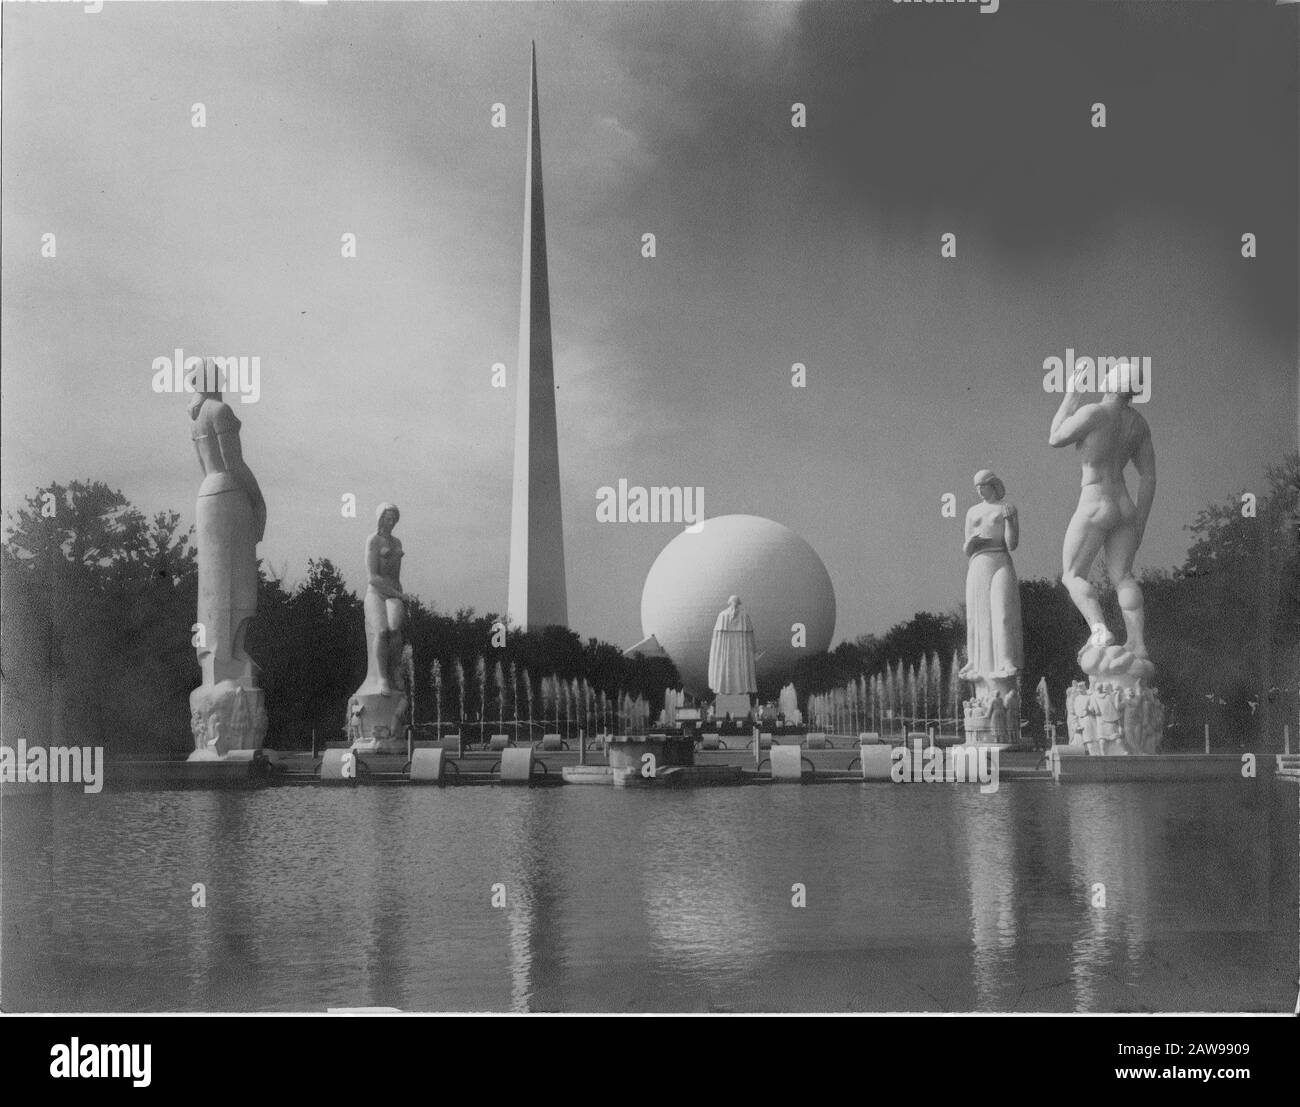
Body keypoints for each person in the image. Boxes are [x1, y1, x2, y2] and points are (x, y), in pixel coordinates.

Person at [1049, 360, 1156, 658]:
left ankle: (1099, 629)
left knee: (1072, 574)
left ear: (1110, 383)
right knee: (1123, 575)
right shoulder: (1138, 423)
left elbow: (1055, 437)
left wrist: (1071, 396)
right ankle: (1137, 642)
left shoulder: (1094, 413)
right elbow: (1148, 476)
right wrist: (1141, 523)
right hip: (1124, 506)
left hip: (1096, 501)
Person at [959, 470, 1023, 682]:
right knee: (976, 617)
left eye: (982, 485)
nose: (979, 490)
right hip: (978, 563)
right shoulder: (972, 512)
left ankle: (1006, 660)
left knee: (1002, 612)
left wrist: (1011, 521)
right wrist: (972, 543)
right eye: (976, 487)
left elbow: (1012, 544)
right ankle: (974, 662)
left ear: (993, 484)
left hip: (1000, 559)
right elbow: (966, 548)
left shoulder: (1006, 507)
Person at [363, 503, 408, 694]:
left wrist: (397, 594)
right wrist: (398, 595)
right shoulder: (373, 540)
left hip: (394, 592)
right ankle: (382, 677)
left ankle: (394, 670)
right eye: (388, 518)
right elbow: (373, 577)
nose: (391, 522)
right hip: (377, 592)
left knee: (395, 629)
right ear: (380, 519)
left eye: (394, 519)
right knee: (381, 631)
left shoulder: (397, 543)